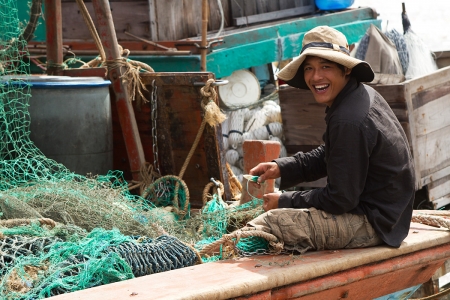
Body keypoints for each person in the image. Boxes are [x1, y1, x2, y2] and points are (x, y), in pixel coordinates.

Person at [247, 26, 415, 253]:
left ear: (345, 69)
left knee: (269, 224)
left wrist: (286, 201)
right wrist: (282, 168)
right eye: (309, 68)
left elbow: (340, 200)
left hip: (374, 222)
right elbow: (331, 155)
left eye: (325, 66)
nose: (316, 77)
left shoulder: (348, 119)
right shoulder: (358, 95)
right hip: (388, 213)